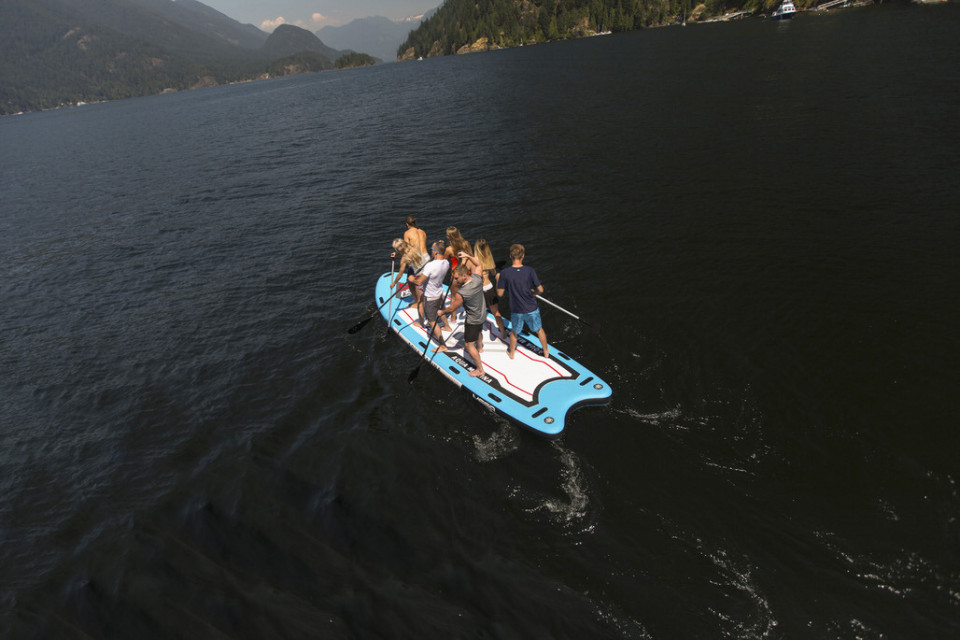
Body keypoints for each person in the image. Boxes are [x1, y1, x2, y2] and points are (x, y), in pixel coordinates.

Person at [436, 253, 487, 377]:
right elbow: (478, 264)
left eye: (456, 278)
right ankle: (480, 347)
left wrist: (442, 312)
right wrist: (467, 255)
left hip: (472, 320)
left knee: (468, 345)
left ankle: (480, 369)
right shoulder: (477, 279)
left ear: (464, 275)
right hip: (482, 314)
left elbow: (452, 308)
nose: (455, 281)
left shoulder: (462, 292)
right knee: (479, 332)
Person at [497, 243, 548, 359]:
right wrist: (533, 293)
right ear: (523, 256)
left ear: (510, 256)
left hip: (517, 310)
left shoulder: (504, 273)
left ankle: (512, 353)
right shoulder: (530, 270)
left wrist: (498, 281)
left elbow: (500, 294)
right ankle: (546, 352)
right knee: (539, 330)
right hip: (531, 308)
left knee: (515, 332)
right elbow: (541, 290)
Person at [412, 240, 452, 342]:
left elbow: (419, 282)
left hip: (430, 296)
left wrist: (412, 279)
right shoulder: (446, 263)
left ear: (436, 252)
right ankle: (447, 326)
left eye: (432, 250)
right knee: (440, 310)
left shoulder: (430, 266)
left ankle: (442, 344)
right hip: (439, 292)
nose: (431, 251)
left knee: (431, 321)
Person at [473, 238, 506, 338]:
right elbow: (494, 273)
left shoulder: (474, 261)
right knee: (496, 312)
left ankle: (478, 335)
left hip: (478, 290)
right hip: (488, 287)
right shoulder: (489, 260)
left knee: (478, 312)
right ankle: (503, 332)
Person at [389, 238, 425, 310]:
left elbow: (400, 274)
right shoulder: (415, 247)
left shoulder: (404, 259)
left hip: (418, 275)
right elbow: (408, 254)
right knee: (409, 276)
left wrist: (394, 283)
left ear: (398, 249)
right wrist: (398, 255)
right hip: (425, 269)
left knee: (409, 280)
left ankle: (417, 302)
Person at [443, 226, 473, 300]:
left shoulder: (449, 249)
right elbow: (471, 257)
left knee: (453, 297)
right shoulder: (466, 244)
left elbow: (442, 260)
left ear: (448, 237)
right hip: (467, 273)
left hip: (456, 274)